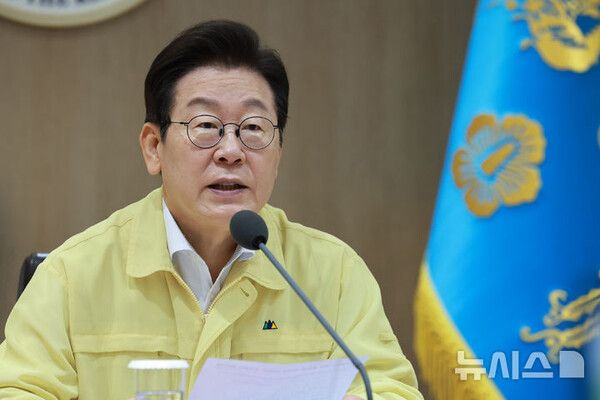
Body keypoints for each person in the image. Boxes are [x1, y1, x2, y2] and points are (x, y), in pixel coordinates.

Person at [0, 20, 423, 400]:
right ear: (154, 147)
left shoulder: (334, 275)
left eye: (253, 128)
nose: (231, 151)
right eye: (206, 126)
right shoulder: (72, 275)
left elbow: (387, 389)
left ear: (278, 152)